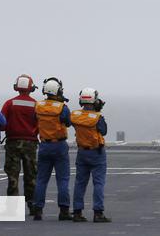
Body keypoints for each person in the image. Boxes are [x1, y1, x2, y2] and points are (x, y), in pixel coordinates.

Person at [32, 77, 72, 221]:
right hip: (59, 145)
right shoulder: (62, 107)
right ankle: (64, 210)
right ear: (58, 91)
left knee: (41, 179)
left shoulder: (38, 105)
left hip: (44, 145)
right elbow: (68, 122)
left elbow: (34, 119)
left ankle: (38, 209)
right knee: (63, 179)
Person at [71, 88, 111, 223]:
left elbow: (72, 122)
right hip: (96, 152)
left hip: (82, 152)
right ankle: (98, 213)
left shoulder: (75, 115)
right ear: (95, 100)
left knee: (80, 183)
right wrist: (97, 110)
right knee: (98, 183)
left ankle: (77, 212)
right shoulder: (98, 117)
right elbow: (103, 131)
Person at [2, 74, 39, 211]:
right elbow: (40, 123)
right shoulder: (35, 104)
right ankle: (32, 204)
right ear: (31, 88)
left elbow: (2, 123)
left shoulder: (9, 103)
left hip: (12, 142)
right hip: (30, 143)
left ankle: (11, 208)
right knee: (31, 175)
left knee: (13, 175)